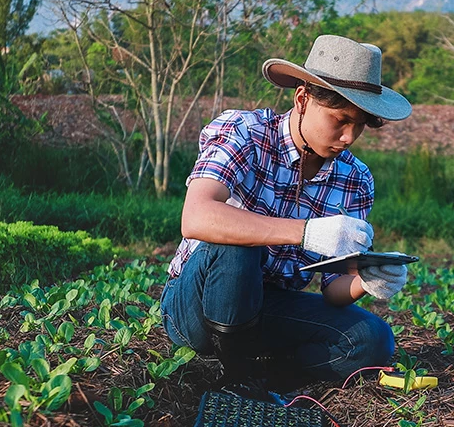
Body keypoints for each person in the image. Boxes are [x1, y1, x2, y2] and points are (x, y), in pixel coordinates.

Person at [160, 34, 413, 394]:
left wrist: (365, 281)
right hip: (197, 307)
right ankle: (238, 374)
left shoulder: (355, 179)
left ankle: (264, 367)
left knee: (372, 341)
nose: (349, 137)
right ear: (302, 99)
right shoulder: (244, 133)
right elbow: (197, 216)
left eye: (360, 125)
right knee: (241, 240)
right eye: (340, 120)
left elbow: (332, 290)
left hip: (268, 305)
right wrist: (306, 231)